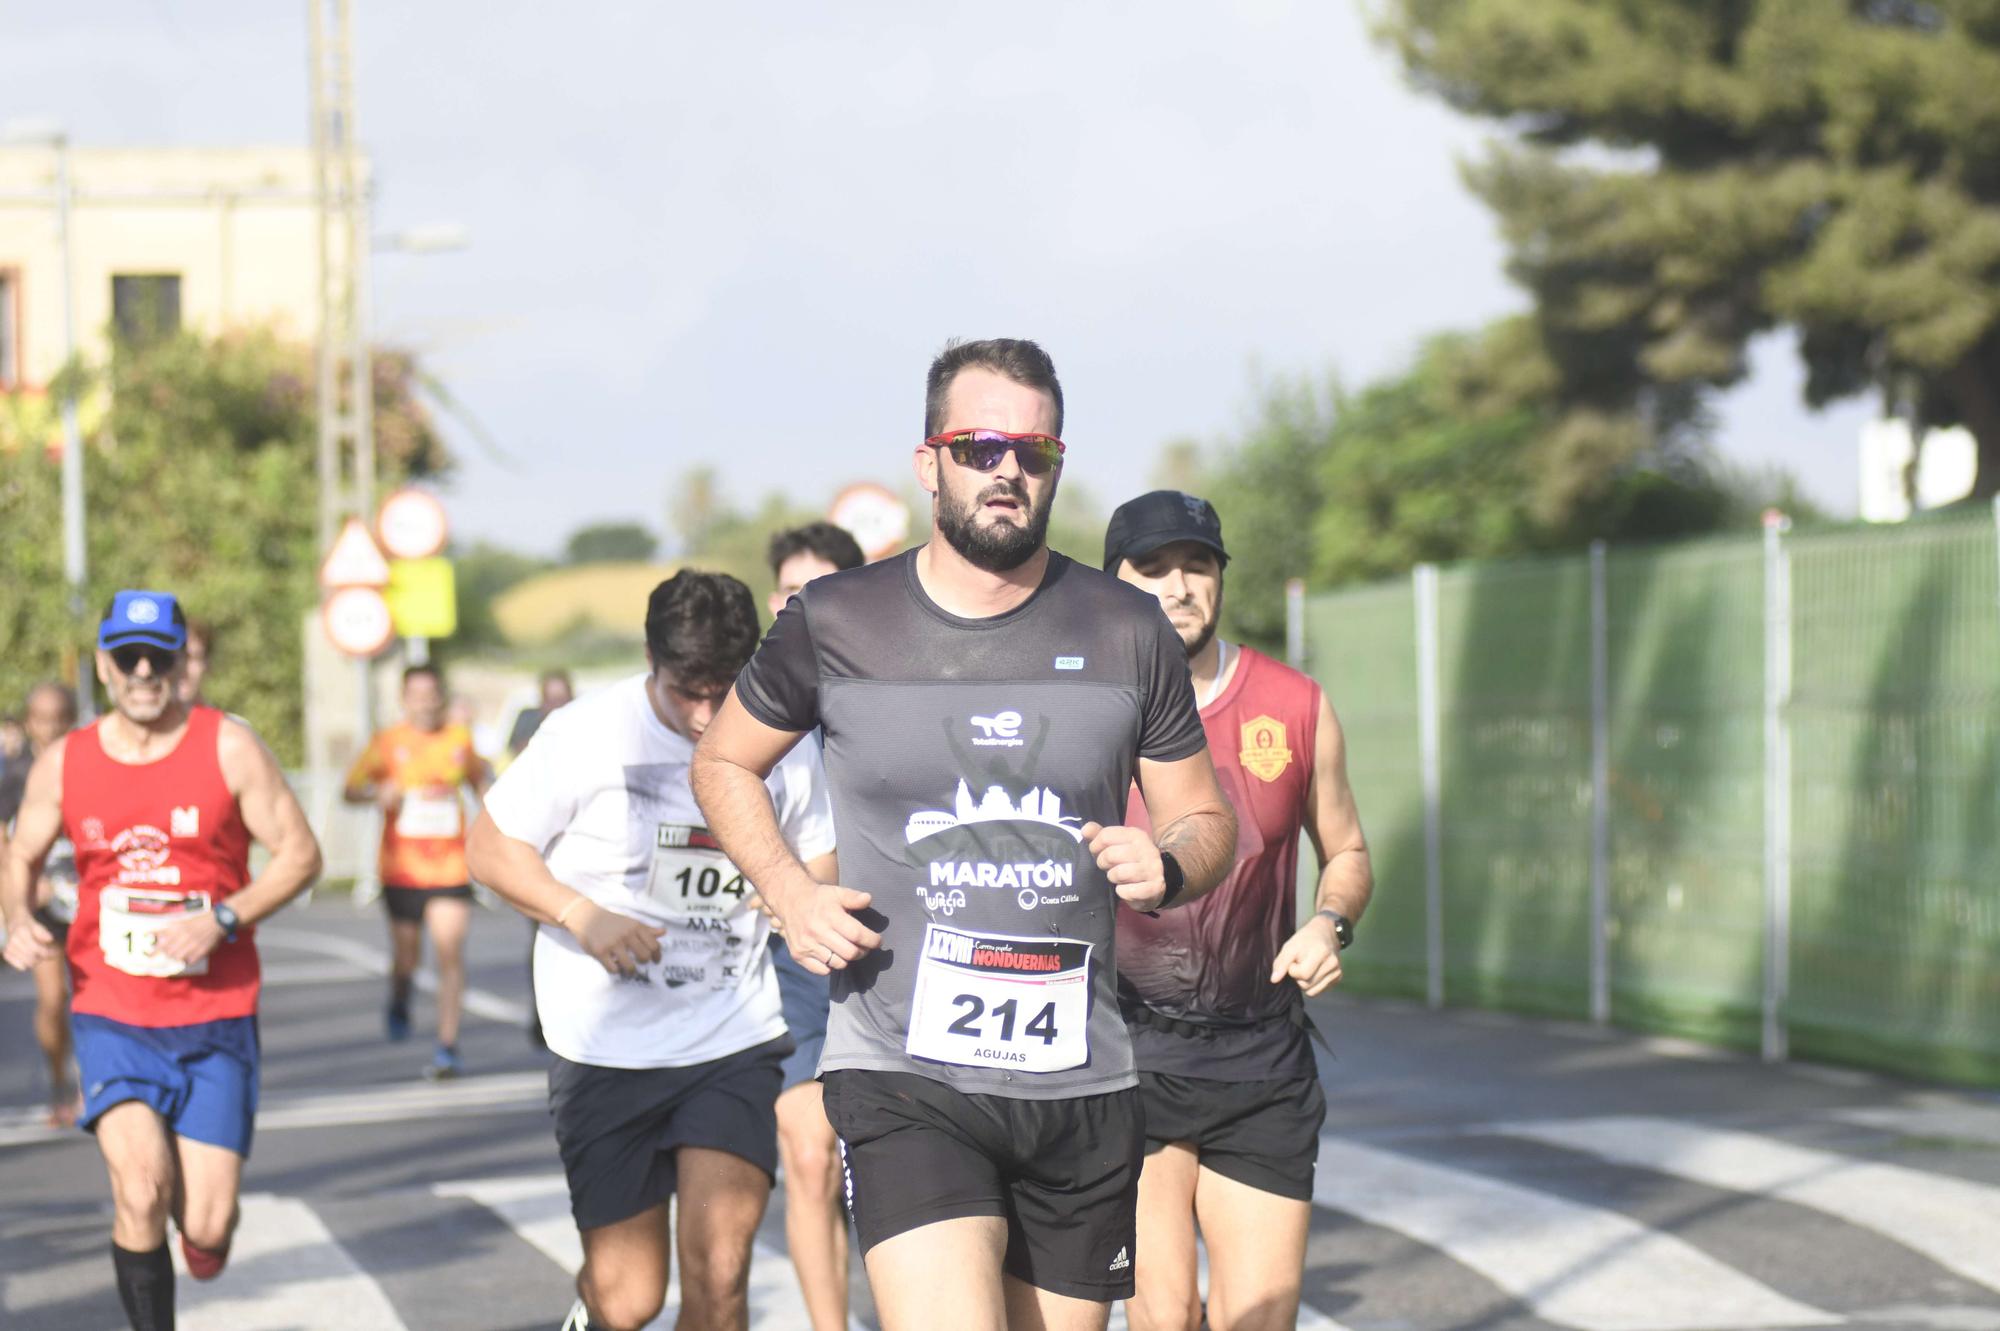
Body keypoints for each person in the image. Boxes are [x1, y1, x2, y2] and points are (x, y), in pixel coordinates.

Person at [691, 337, 1239, 1331]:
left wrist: (1164, 864)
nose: (1005, 472)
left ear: (1054, 464)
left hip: (1080, 1074)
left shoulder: (1126, 627)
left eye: (1030, 453)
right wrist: (787, 889)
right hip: (904, 1069)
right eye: (980, 446)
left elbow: (1205, 819)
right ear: (928, 461)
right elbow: (723, 760)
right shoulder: (836, 618)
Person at [467, 571, 837, 1331]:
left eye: (723, 690)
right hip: (604, 1043)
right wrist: (579, 914)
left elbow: (822, 861)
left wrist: (791, 889)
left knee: (722, 1273)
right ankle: (594, 1306)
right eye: (686, 691)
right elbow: (490, 847)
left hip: (730, 1034)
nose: (706, 715)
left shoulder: (781, 741)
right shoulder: (585, 733)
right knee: (629, 1295)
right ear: (649, 659)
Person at [1, 590, 321, 1331]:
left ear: (181, 663)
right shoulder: (66, 760)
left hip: (217, 1014)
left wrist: (225, 917)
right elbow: (18, 855)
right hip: (112, 1010)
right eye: (127, 656)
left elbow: (301, 855)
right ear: (104, 667)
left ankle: (202, 1234)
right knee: (140, 1188)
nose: (143, 670)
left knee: (206, 1228)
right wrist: (17, 916)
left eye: (159, 656)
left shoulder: (228, 746)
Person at [1103, 490, 1373, 1331]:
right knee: (1166, 1314)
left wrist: (1330, 922)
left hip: (1261, 1053)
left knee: (1259, 1317)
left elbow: (1350, 851)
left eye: (1197, 565)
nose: (1179, 585)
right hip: (1125, 1050)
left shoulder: (1296, 704)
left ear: (1220, 578)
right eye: (1153, 568)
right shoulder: (1085, 712)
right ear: (1115, 581)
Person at [762, 520, 865, 1330]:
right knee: (807, 1155)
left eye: (822, 592)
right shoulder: (753, 711)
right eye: (793, 592)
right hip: (796, 962)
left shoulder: (908, 690)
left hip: (896, 950)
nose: (806, 607)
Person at [343, 663, 492, 1079]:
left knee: (450, 955)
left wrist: (496, 813)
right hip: (402, 869)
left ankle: (447, 1045)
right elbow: (349, 790)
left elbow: (483, 783)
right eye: (417, 695)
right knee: (407, 958)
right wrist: (378, 792)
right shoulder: (387, 743)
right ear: (404, 699)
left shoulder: (459, 740)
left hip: (450, 867)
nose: (425, 702)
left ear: (441, 695)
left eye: (431, 694)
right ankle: (400, 992)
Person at [2, 682, 83, 1126]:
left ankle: (95, 1081)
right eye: (42, 719)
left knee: (98, 998)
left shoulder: (91, 763)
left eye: (60, 718)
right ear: (30, 722)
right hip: (44, 904)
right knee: (53, 999)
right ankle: (58, 1081)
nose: (51, 728)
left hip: (93, 899)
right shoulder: (13, 775)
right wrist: (19, 900)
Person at [507, 669, 576, 759]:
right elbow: (516, 752)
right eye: (550, 700)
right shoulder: (527, 721)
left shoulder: (580, 726)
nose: (555, 706)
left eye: (560, 700)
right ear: (542, 701)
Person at [177, 619, 213, 708]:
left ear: (207, 664)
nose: (183, 669)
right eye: (177, 658)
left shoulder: (226, 722)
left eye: (192, 658)